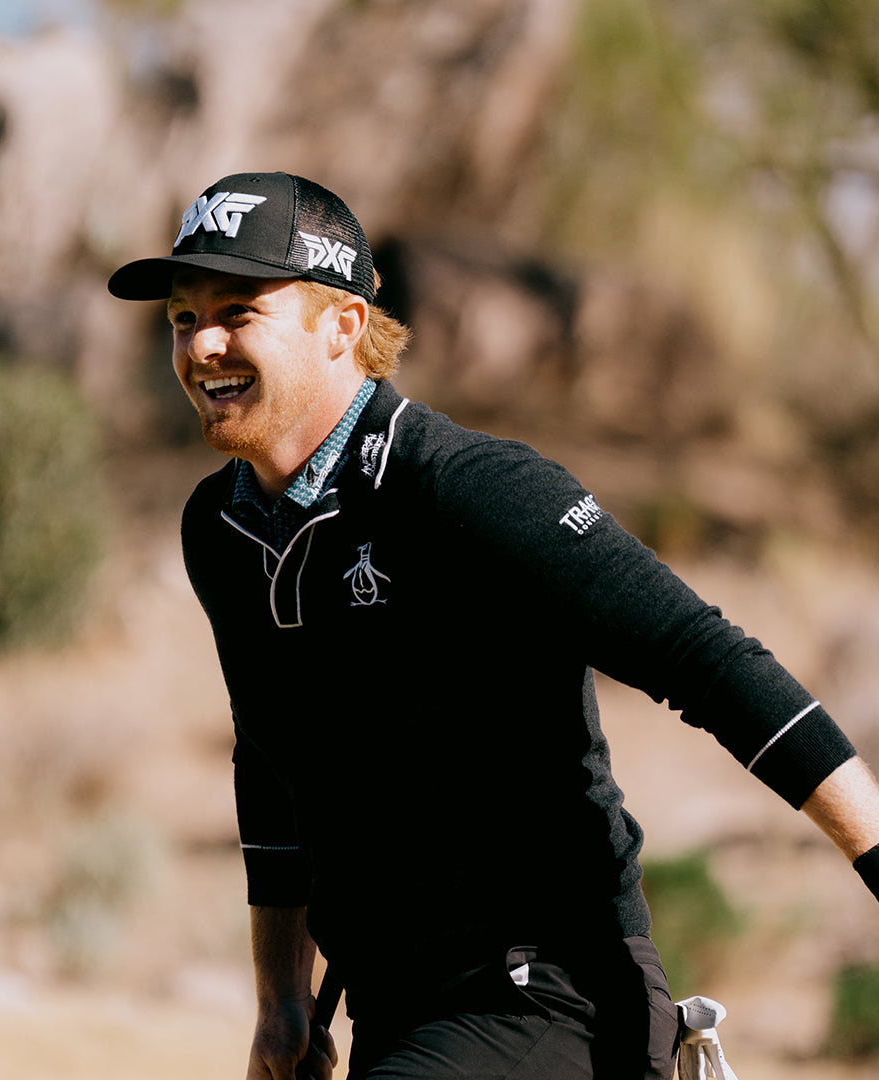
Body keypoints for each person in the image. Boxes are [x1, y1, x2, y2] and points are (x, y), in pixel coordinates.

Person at [109, 172, 879, 1080]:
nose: (202, 344)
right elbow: (271, 766)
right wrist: (282, 1004)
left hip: (556, 996)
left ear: (342, 325)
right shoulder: (223, 529)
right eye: (181, 317)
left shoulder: (468, 489)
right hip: (397, 1013)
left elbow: (704, 659)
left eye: (238, 311)